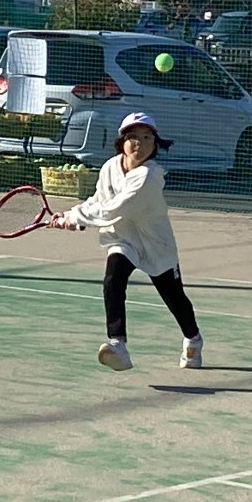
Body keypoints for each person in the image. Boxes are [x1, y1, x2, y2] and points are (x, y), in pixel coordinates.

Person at [48, 112, 203, 372]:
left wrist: (75, 218)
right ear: (122, 142)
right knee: (113, 280)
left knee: (174, 298)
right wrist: (72, 215)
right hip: (123, 239)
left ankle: (193, 339)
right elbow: (99, 201)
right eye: (133, 137)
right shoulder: (110, 167)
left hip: (156, 245)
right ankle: (118, 344)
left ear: (155, 144)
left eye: (147, 138)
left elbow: (114, 209)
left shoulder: (149, 177)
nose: (140, 143)